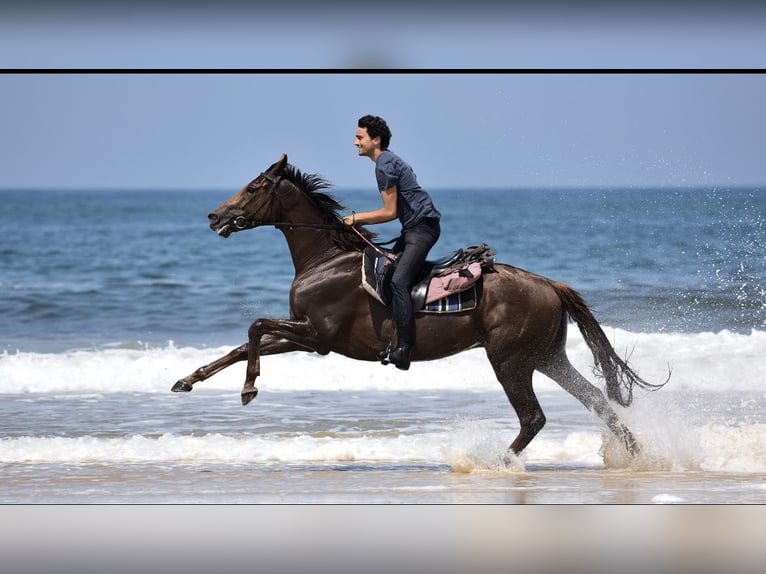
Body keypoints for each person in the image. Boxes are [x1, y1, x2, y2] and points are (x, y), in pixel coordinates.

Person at [342, 115, 441, 370]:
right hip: (413, 230)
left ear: (376, 140)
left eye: (359, 137)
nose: (355, 143)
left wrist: (356, 218)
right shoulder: (389, 160)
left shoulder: (384, 164)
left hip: (422, 230)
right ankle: (391, 336)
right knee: (386, 276)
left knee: (398, 281)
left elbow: (389, 212)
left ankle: (404, 349)